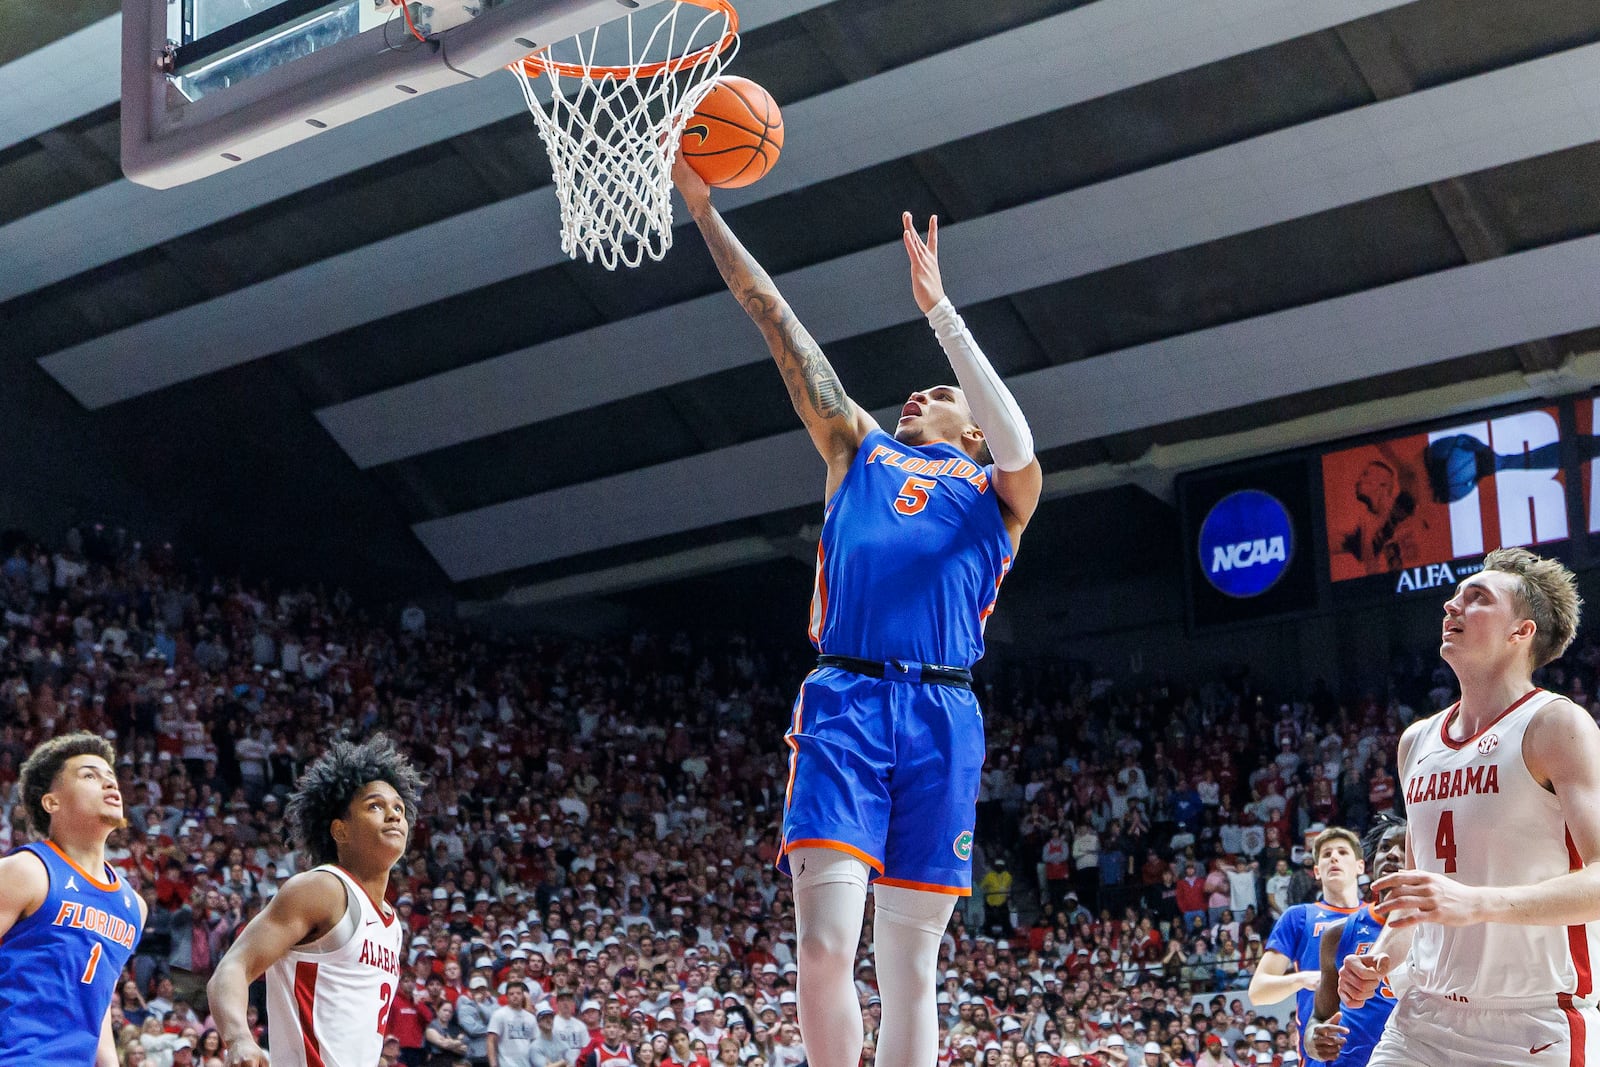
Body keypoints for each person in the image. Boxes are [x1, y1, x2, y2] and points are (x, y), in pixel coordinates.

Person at [673, 123, 1042, 1067]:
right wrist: (707, 212)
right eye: (918, 389)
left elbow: (1018, 439)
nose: (919, 396)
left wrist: (943, 317)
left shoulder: (999, 493)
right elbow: (776, 320)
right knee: (828, 945)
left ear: (965, 428)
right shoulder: (858, 450)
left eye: (939, 393)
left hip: (945, 711)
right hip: (847, 698)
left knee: (911, 964)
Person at [1341, 548, 1600, 1064]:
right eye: (1455, 597)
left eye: (1476, 598)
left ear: (1521, 632)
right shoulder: (1416, 741)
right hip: (1422, 1018)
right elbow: (1416, 901)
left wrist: (1477, 903)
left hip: (1530, 1021)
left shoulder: (1555, 725)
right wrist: (1379, 958)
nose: (1451, 607)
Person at [207, 736, 422, 1067]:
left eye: (399, 808)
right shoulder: (323, 889)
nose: (393, 815)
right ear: (340, 831)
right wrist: (238, 1039)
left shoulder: (392, 924)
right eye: (375, 806)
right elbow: (233, 966)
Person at [0, 731, 147, 1066]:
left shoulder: (134, 906)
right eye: (90, 776)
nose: (110, 784)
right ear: (52, 802)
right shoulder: (27, 870)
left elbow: (96, 1000)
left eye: (111, 777)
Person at [1303, 814, 1405, 1065]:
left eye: (1405, 848)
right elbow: (1319, 1018)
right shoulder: (1338, 933)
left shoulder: (1441, 931)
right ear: (1371, 862)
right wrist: (1314, 1040)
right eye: (1385, 847)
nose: (1392, 854)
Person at [1247, 826, 1365, 1043]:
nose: (1334, 858)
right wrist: (1303, 979)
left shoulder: (1378, 916)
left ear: (1360, 866)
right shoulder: (1299, 917)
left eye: (1342, 852)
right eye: (1326, 855)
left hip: (1378, 1047)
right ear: (1317, 871)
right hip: (1321, 1049)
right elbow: (1258, 991)